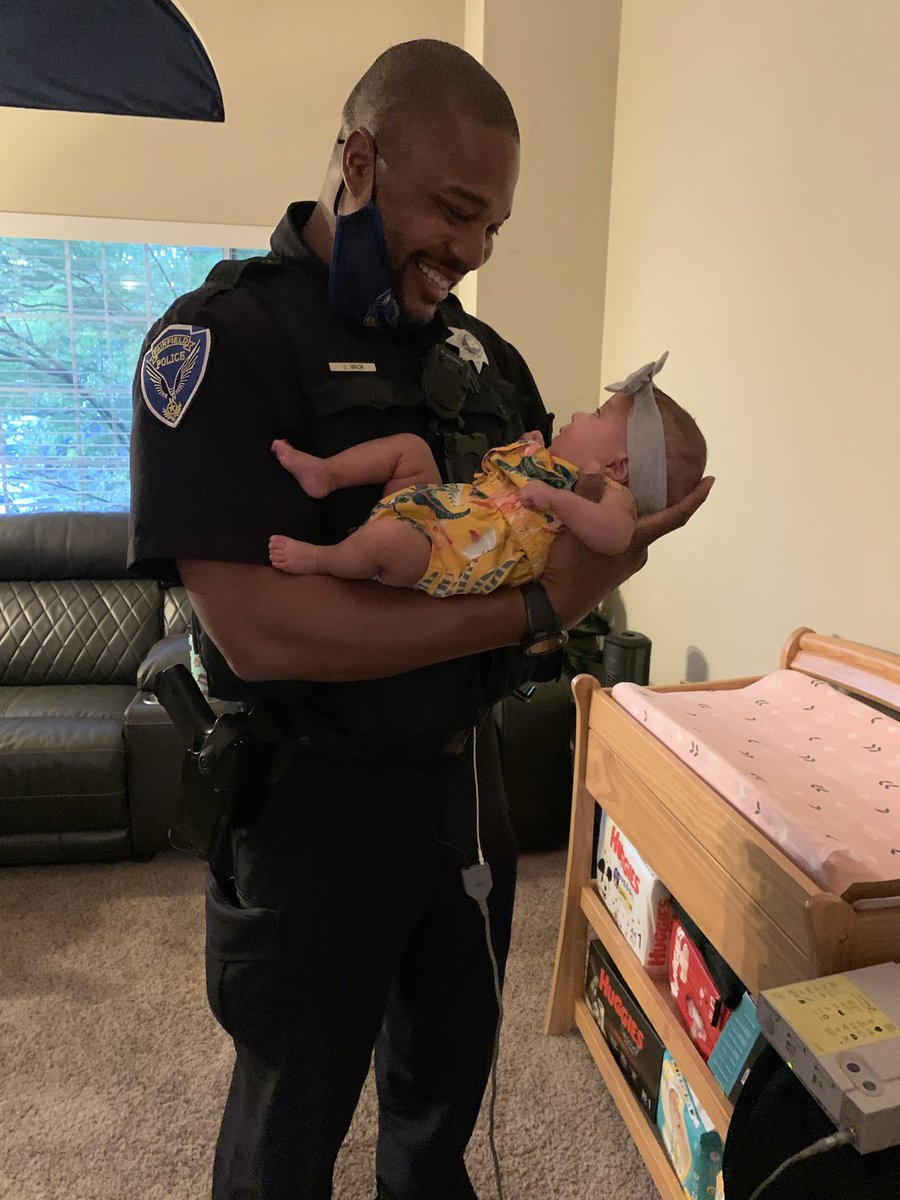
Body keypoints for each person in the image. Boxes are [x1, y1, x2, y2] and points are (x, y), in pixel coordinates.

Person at [128, 38, 712, 1200]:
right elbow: (263, 630)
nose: (473, 252)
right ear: (358, 159)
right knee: (290, 1117)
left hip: (466, 790)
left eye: (493, 224)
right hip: (310, 807)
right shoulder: (226, 343)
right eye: (454, 211)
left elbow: (544, 527)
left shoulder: (488, 359)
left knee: (442, 1102)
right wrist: (538, 612)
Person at [267, 357, 707, 596]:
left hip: (447, 557)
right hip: (441, 508)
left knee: (384, 541)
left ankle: (322, 560)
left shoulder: (607, 496)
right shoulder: (553, 466)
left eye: (595, 414)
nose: (576, 413)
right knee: (410, 449)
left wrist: (559, 501)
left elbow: (615, 536)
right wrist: (529, 452)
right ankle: (326, 473)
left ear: (618, 467)